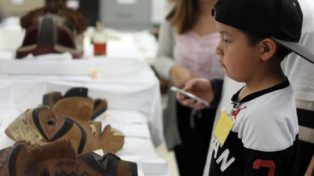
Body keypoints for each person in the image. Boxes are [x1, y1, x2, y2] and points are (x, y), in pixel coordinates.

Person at [177, 0, 314, 175]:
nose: (217, 49)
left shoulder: (265, 118)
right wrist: (216, 90)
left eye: (226, 40)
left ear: (265, 49)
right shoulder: (250, 91)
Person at [153, 0, 224, 175]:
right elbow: (161, 57)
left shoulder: (237, 14)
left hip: (224, 113)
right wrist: (175, 71)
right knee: (188, 168)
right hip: (183, 113)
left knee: (219, 166)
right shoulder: (175, 13)